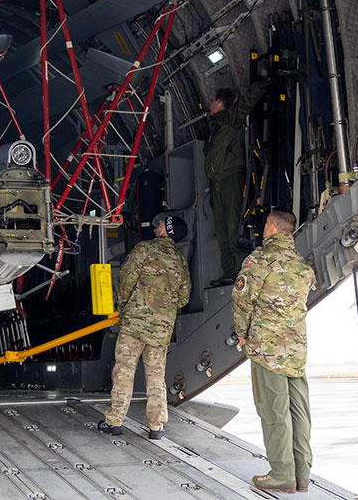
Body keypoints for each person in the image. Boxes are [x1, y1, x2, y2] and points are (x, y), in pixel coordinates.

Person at [232, 208, 316, 494]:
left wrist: (242, 335)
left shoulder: (260, 260)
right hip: (296, 350)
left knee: (273, 411)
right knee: (299, 412)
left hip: (267, 350)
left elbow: (242, 302)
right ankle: (301, 474)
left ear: (271, 227)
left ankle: (282, 474)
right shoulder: (302, 266)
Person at [98, 214, 190, 440]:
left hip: (135, 325)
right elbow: (183, 298)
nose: (156, 224)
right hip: (161, 330)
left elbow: (126, 280)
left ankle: (115, 421)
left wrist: (126, 305)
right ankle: (157, 427)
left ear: (165, 229)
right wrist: (164, 308)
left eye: (161, 223)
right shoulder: (180, 261)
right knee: (156, 377)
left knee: (124, 372)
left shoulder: (144, 249)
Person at [205, 80, 269, 287]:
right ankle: (229, 272)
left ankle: (242, 272)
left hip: (230, 179)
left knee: (233, 229)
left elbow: (246, 103)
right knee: (222, 233)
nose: (210, 105)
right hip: (217, 183)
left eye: (213, 101)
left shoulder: (230, 120)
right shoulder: (215, 128)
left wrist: (262, 81)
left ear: (218, 102)